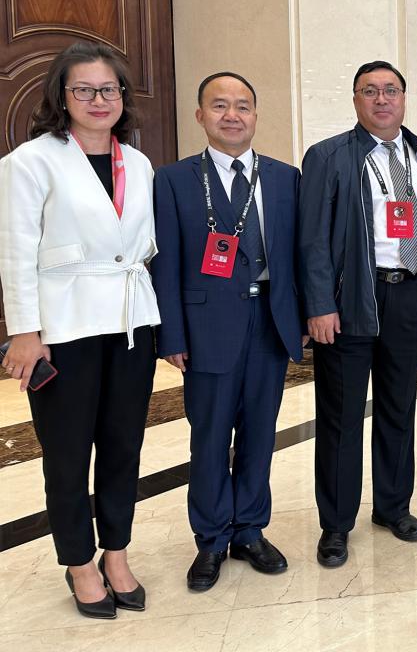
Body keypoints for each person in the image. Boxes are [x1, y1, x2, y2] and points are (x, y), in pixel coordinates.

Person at [0, 41, 161, 618]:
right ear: (61, 97)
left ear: (122, 96)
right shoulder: (30, 161)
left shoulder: (137, 163)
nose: (98, 99)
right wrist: (25, 330)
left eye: (108, 89)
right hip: (64, 326)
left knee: (123, 446)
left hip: (130, 323)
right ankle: (80, 563)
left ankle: (116, 552)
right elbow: (16, 251)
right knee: (67, 455)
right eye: (84, 90)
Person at [151, 72, 304, 591]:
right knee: (210, 437)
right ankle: (212, 538)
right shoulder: (174, 180)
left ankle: (250, 530)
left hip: (270, 323)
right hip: (206, 327)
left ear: (256, 115)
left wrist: (301, 318)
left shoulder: (284, 177)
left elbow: (298, 255)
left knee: (261, 435)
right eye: (219, 106)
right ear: (200, 115)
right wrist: (172, 335)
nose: (232, 115)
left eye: (242, 105)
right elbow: (166, 263)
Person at [299, 61, 417, 568]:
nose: (382, 100)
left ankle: (393, 507)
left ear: (404, 98)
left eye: (391, 90)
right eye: (370, 91)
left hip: (410, 296)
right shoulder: (329, 156)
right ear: (355, 100)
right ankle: (336, 524)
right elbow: (312, 238)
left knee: (398, 408)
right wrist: (319, 304)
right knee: (341, 417)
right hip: (351, 301)